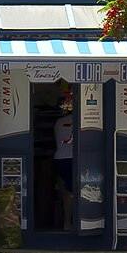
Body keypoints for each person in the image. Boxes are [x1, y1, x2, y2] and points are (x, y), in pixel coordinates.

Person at [53, 88, 76, 228]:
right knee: (77, 191)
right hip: (75, 158)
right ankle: (74, 221)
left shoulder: (58, 122)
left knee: (66, 193)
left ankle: (66, 222)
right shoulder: (81, 122)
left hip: (60, 158)